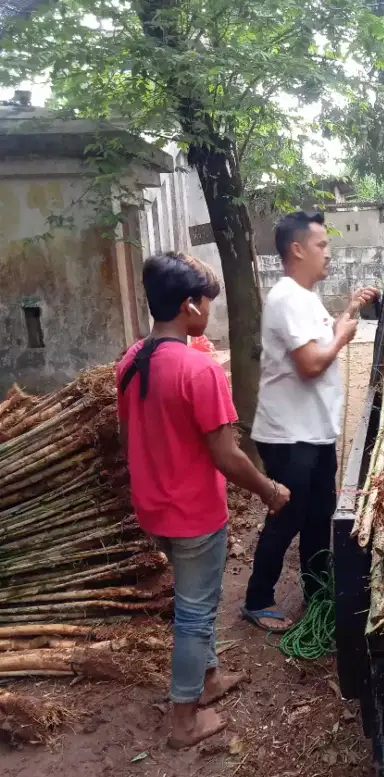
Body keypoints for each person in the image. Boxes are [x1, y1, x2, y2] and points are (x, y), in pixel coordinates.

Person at [116, 252, 290, 749]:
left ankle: (208, 681)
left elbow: (130, 438)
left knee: (194, 601)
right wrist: (270, 490)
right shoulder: (199, 370)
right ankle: (183, 720)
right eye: (207, 303)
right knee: (195, 612)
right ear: (190, 306)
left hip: (153, 508)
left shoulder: (131, 361)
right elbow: (227, 456)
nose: (209, 311)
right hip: (193, 514)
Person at [243, 211, 378, 630]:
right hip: (288, 436)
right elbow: (310, 364)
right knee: (288, 515)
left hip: (313, 433)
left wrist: (350, 310)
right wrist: (342, 337)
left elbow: (322, 339)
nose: (329, 255)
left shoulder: (305, 297)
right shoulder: (286, 297)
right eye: (321, 246)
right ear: (297, 249)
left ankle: (318, 595)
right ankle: (257, 599)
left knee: (319, 515)